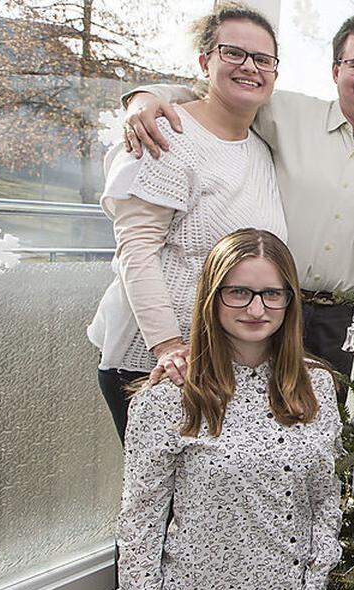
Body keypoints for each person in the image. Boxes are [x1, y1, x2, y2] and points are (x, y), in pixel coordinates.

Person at [119, 15, 354, 392]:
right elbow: (223, 91)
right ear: (335, 70)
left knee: (317, 431)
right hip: (265, 311)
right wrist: (144, 97)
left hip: (339, 324)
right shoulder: (286, 113)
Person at [113, 229, 342, 590]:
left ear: (290, 301)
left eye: (272, 294)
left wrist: (315, 587)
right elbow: (139, 520)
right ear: (212, 297)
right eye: (239, 293)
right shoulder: (169, 395)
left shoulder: (316, 387)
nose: (257, 309)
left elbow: (325, 498)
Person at [88, 2, 287, 441]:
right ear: (205, 61)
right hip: (154, 361)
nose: (249, 66)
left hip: (216, 360)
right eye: (233, 53)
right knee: (157, 502)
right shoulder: (167, 135)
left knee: (201, 503)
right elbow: (136, 251)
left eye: (263, 59)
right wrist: (167, 346)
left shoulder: (260, 150)